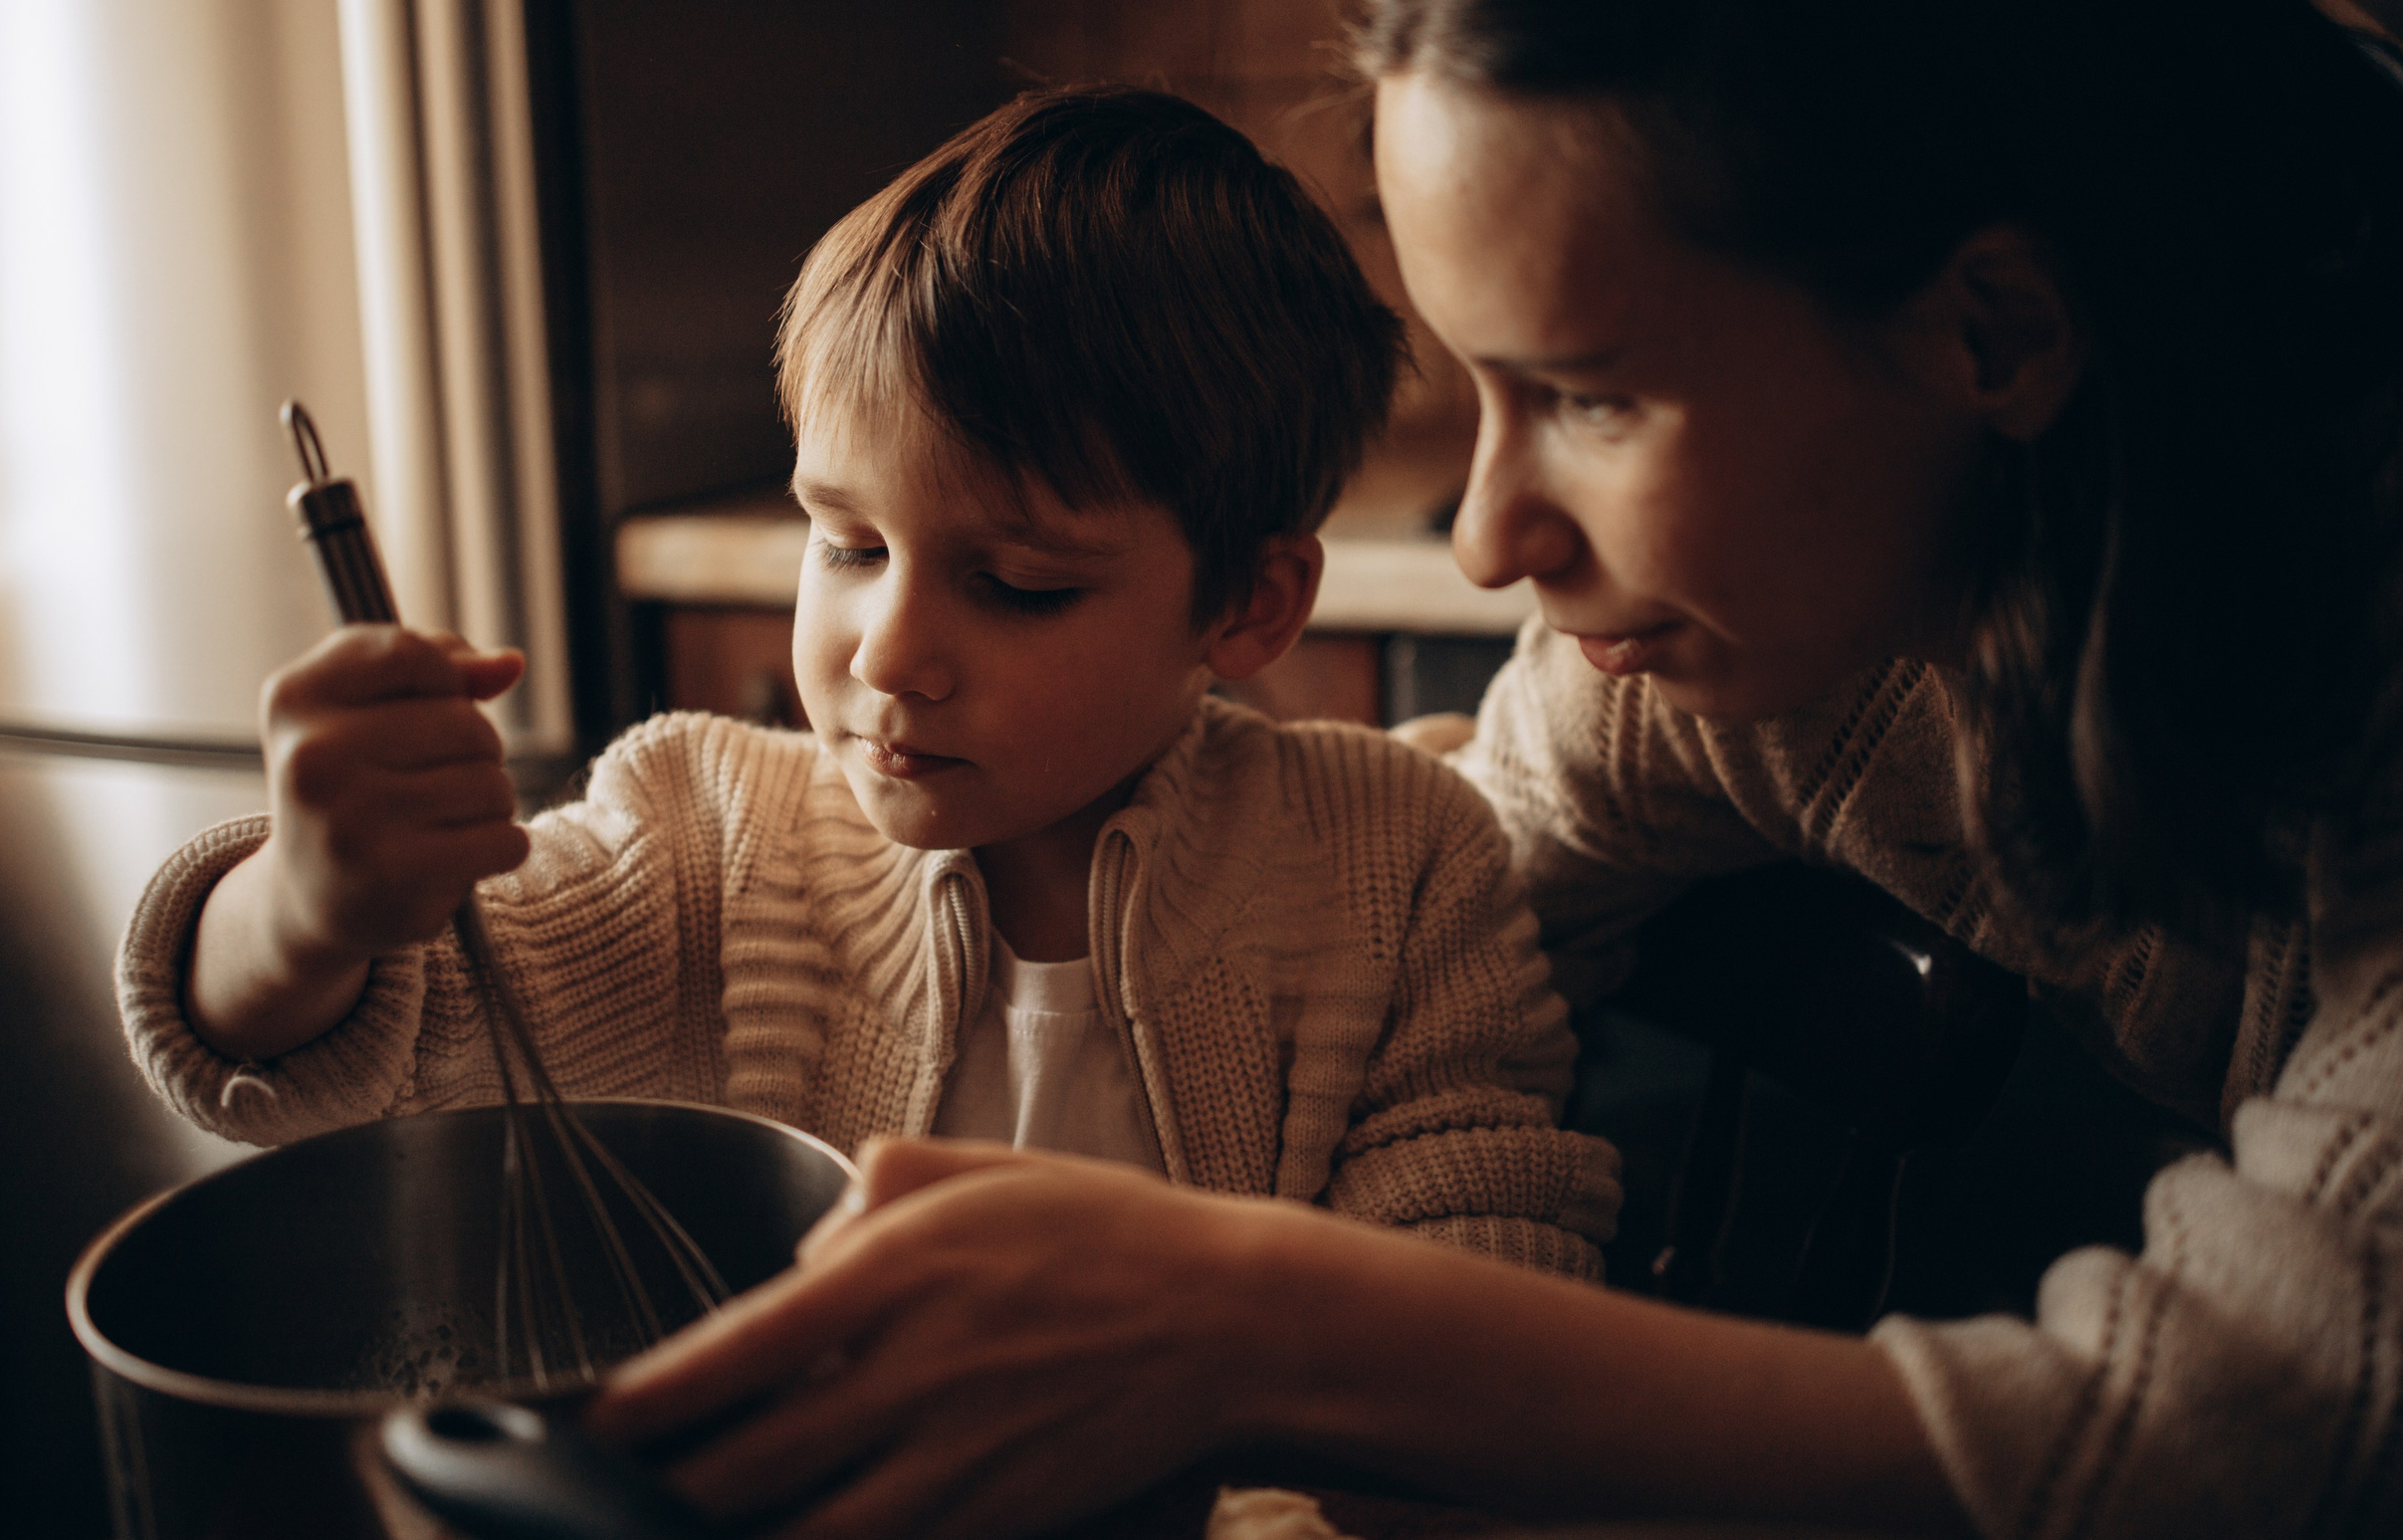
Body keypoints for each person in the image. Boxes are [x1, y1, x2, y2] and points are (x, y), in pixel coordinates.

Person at [577, 0, 2403, 1537]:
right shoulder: (1702, 666)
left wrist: (1266, 1327)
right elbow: (1434, 873)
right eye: (1478, 386)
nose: (1486, 539)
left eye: (1589, 396)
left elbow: (2300, 1427)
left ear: (1995, 330)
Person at [113, 88, 1621, 1279]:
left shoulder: (1401, 873)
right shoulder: (704, 846)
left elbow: (1479, 1308)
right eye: (843, 544)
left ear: (1247, 604)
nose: (887, 650)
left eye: (1016, 582)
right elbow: (342, 1050)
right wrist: (302, 913)